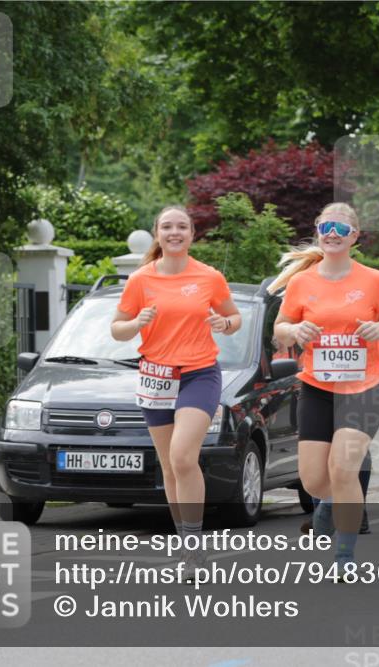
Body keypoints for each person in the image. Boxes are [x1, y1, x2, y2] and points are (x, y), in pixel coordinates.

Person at [269, 203, 379, 569]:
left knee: (344, 469)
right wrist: (294, 331)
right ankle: (329, 502)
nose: (333, 233)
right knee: (314, 479)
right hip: (317, 386)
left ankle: (344, 555)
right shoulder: (303, 282)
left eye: (341, 228)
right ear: (318, 230)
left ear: (354, 236)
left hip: (364, 387)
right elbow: (280, 328)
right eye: (326, 226)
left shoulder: (374, 280)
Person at [111, 205, 243, 577]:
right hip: (155, 376)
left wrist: (225, 322)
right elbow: (117, 329)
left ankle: (196, 543)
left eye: (181, 226)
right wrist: (136, 321)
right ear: (157, 233)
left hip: (199, 373)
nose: (174, 232)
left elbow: (235, 319)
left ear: (192, 233)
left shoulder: (209, 277)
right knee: (169, 465)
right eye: (167, 227)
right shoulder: (140, 279)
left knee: (184, 456)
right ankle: (188, 550)